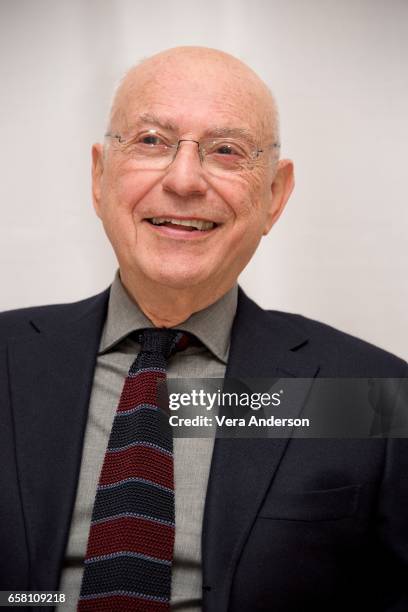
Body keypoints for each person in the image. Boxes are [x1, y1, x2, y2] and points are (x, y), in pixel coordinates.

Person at [0, 46, 407, 612]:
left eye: (226, 151)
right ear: (99, 176)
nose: (185, 180)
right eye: (150, 141)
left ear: (273, 195)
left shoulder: (370, 394)